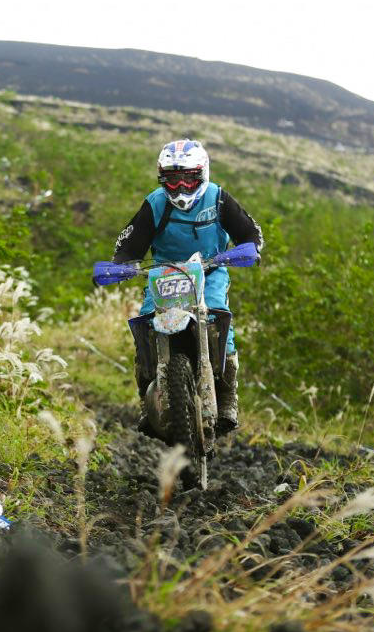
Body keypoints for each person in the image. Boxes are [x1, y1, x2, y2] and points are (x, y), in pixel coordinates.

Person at [110, 138, 263, 433]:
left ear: (202, 174)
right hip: (164, 274)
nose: (180, 188)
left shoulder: (218, 198)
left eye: (188, 179)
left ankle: (228, 397)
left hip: (211, 270)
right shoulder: (155, 203)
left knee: (219, 318)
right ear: (162, 179)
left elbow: (250, 233)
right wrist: (121, 265)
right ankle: (147, 397)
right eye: (172, 180)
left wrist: (248, 249)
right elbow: (129, 244)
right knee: (145, 324)